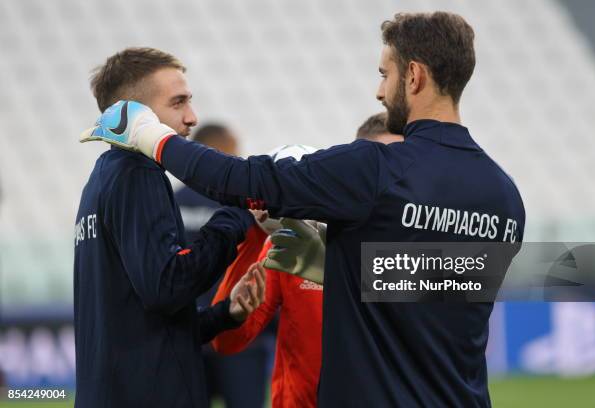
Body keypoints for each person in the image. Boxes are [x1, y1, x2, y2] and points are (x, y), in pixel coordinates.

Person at [82, 12, 526, 407]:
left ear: (413, 76)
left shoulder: (374, 166)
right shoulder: (503, 195)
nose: (378, 90)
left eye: (383, 73)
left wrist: (152, 138)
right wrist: (341, 267)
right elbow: (440, 292)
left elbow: (246, 181)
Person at [74, 47, 265, 408]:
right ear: (138, 116)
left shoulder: (100, 179)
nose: (192, 118)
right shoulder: (139, 173)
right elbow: (167, 286)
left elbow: (144, 321)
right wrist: (236, 213)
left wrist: (225, 314)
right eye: (178, 103)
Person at [210, 115, 402, 408]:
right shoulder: (295, 245)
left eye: (400, 172)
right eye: (378, 171)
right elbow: (226, 342)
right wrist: (253, 235)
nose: (389, 184)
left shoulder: (422, 260)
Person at [175, 124, 271, 408]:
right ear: (216, 152)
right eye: (233, 151)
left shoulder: (172, 202)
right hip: (237, 327)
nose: (237, 160)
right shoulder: (239, 203)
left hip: (190, 330)